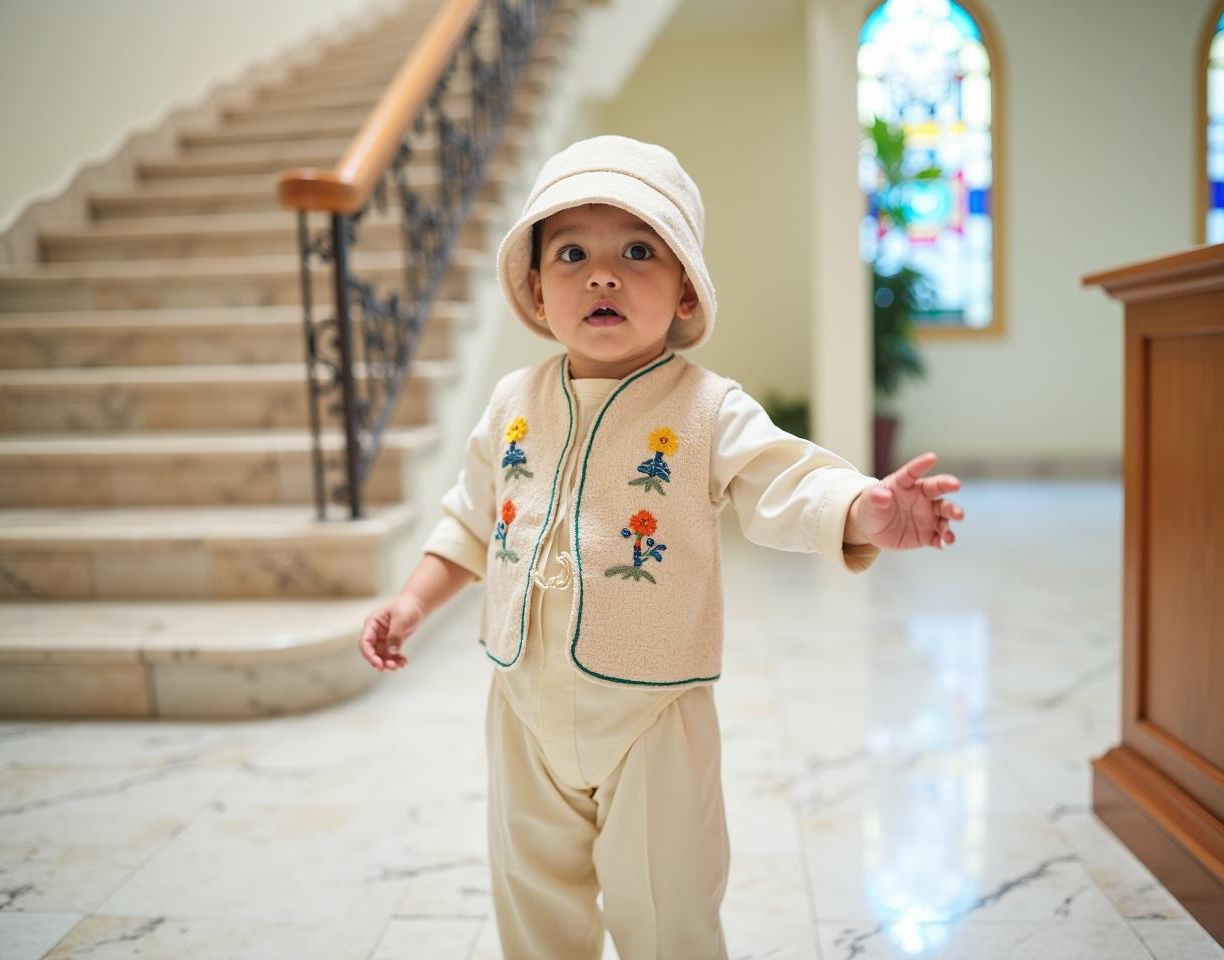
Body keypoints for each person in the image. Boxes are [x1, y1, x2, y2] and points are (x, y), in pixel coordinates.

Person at [358, 135, 964, 959]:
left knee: (666, 907)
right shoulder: (513, 403)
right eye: (573, 253)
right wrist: (413, 599)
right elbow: (471, 517)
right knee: (532, 901)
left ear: (683, 288)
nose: (603, 274)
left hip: (652, 709)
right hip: (522, 702)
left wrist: (865, 508)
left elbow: (782, 481)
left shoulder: (708, 407)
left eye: (638, 250)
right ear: (538, 290)